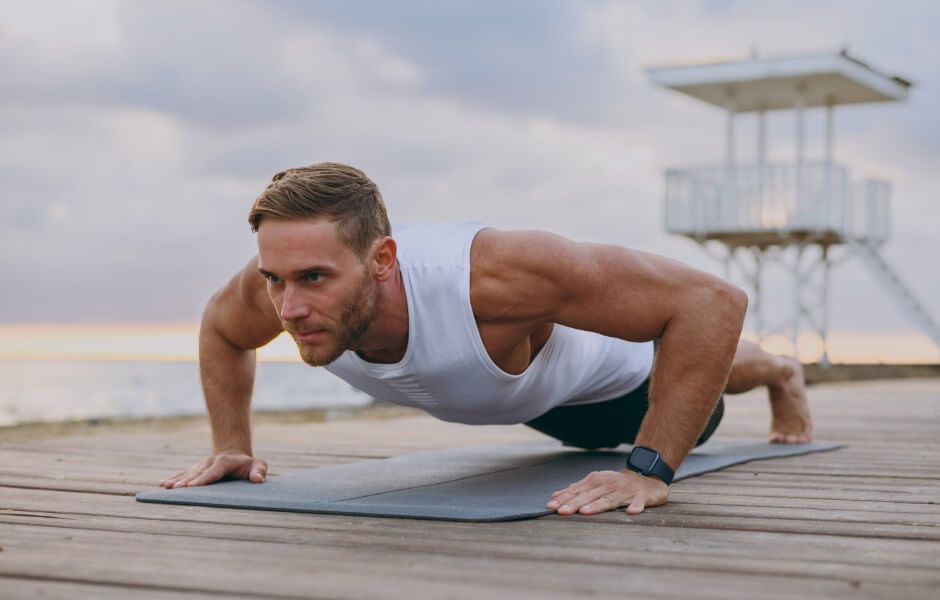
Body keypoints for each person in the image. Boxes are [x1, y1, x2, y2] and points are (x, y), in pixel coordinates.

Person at [160, 162, 813, 516]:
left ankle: (782, 372)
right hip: (529, 407)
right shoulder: (275, 284)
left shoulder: (492, 275)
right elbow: (222, 329)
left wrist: (648, 472)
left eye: (313, 278)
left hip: (623, 390)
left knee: (715, 383)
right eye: (276, 278)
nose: (289, 306)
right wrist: (231, 446)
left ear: (383, 260)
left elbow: (709, 302)